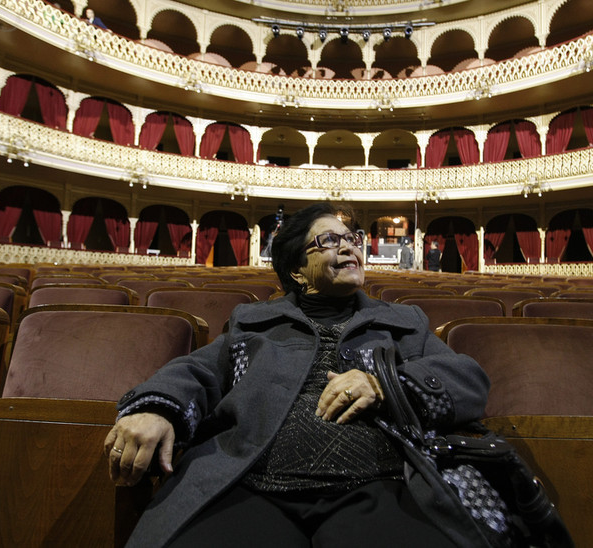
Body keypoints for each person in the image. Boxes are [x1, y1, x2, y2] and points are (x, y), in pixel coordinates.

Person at [104, 203, 510, 547]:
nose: (349, 247)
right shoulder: (254, 322)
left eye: (351, 239)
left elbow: (467, 379)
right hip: (250, 484)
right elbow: (198, 370)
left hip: (381, 485)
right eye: (330, 240)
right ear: (297, 271)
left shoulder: (401, 322)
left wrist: (383, 384)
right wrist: (157, 409)